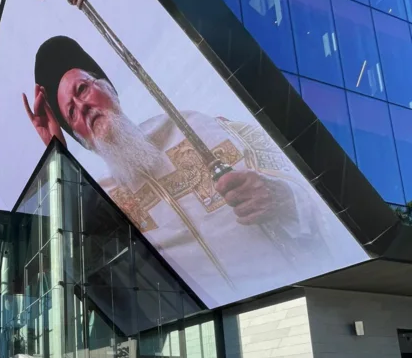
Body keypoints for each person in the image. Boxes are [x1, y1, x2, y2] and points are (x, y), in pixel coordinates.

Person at [22, 36, 344, 304]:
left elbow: (308, 186)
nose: (83, 108)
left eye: (82, 90)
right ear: (83, 139)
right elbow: (71, 257)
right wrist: (56, 148)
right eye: (71, 113)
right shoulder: (104, 200)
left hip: (297, 293)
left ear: (108, 87)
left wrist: (279, 197)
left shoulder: (195, 126)